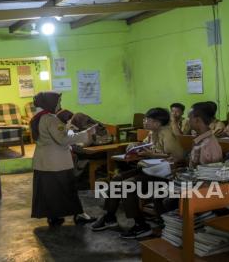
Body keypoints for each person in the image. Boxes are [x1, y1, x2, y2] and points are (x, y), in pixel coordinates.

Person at [91, 108, 184, 239]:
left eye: (148, 119)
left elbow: (178, 156)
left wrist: (151, 154)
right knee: (117, 178)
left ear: (157, 123)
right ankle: (109, 217)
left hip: (163, 176)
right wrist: (134, 146)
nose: (144, 121)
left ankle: (141, 225)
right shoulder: (153, 133)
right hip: (149, 170)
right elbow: (145, 144)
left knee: (127, 185)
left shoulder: (166, 133)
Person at [30, 91, 97, 226]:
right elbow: (63, 139)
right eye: (58, 102)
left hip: (43, 162)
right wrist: (86, 133)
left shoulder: (36, 118)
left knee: (50, 191)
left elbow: (50, 136)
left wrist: (66, 129)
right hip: (58, 163)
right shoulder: (51, 119)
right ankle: (79, 215)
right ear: (49, 103)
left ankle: (53, 216)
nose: (59, 105)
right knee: (68, 189)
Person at [188, 102, 223, 168]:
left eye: (190, 118)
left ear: (197, 120)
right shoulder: (200, 140)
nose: (188, 121)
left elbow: (212, 172)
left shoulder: (208, 144)